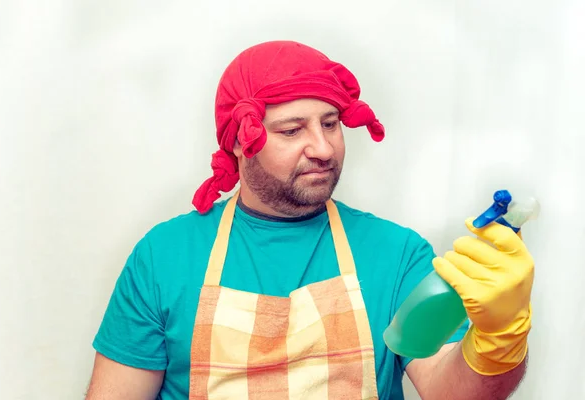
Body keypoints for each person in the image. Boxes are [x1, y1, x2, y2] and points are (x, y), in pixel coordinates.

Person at [85, 41, 534, 399]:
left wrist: (498, 340)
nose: (323, 148)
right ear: (241, 143)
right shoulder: (164, 256)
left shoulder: (395, 254)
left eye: (332, 123)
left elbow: (450, 392)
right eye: (292, 130)